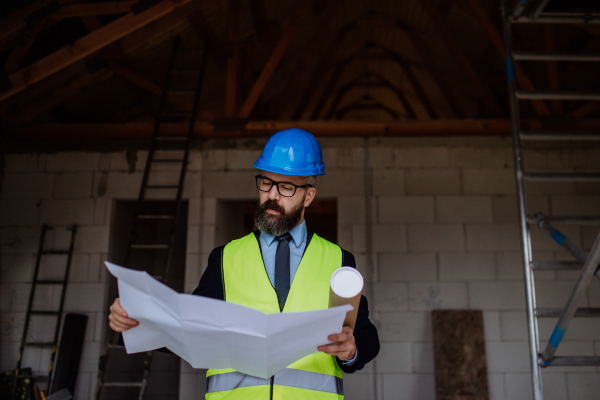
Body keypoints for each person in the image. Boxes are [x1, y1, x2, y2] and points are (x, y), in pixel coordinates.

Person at [108, 128, 380, 399]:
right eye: (266, 183)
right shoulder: (225, 259)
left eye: (285, 187)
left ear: (308, 196)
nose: (272, 195)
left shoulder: (338, 261)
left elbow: (366, 337)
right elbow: (188, 330)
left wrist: (351, 351)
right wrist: (137, 321)